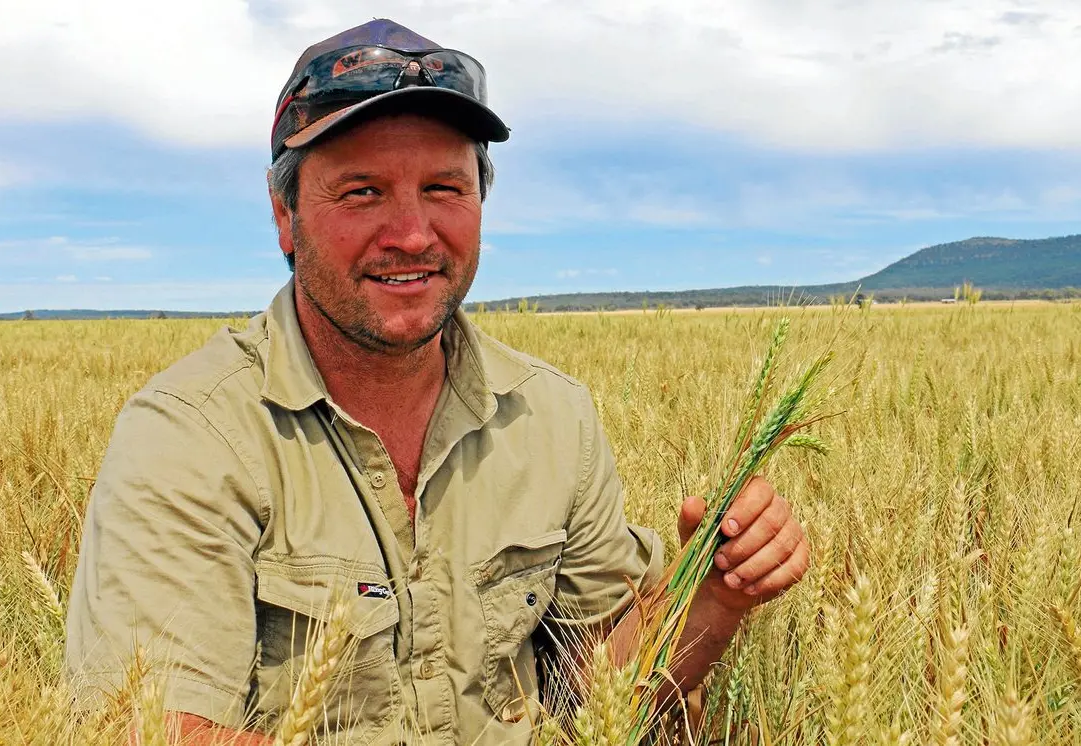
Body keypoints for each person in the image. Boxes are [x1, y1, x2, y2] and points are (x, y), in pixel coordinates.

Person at [64, 18, 810, 746]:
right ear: (284, 214)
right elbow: (149, 724)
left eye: (444, 188)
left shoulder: (550, 416)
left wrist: (714, 593)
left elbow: (598, 695)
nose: (413, 234)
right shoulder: (190, 432)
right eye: (362, 192)